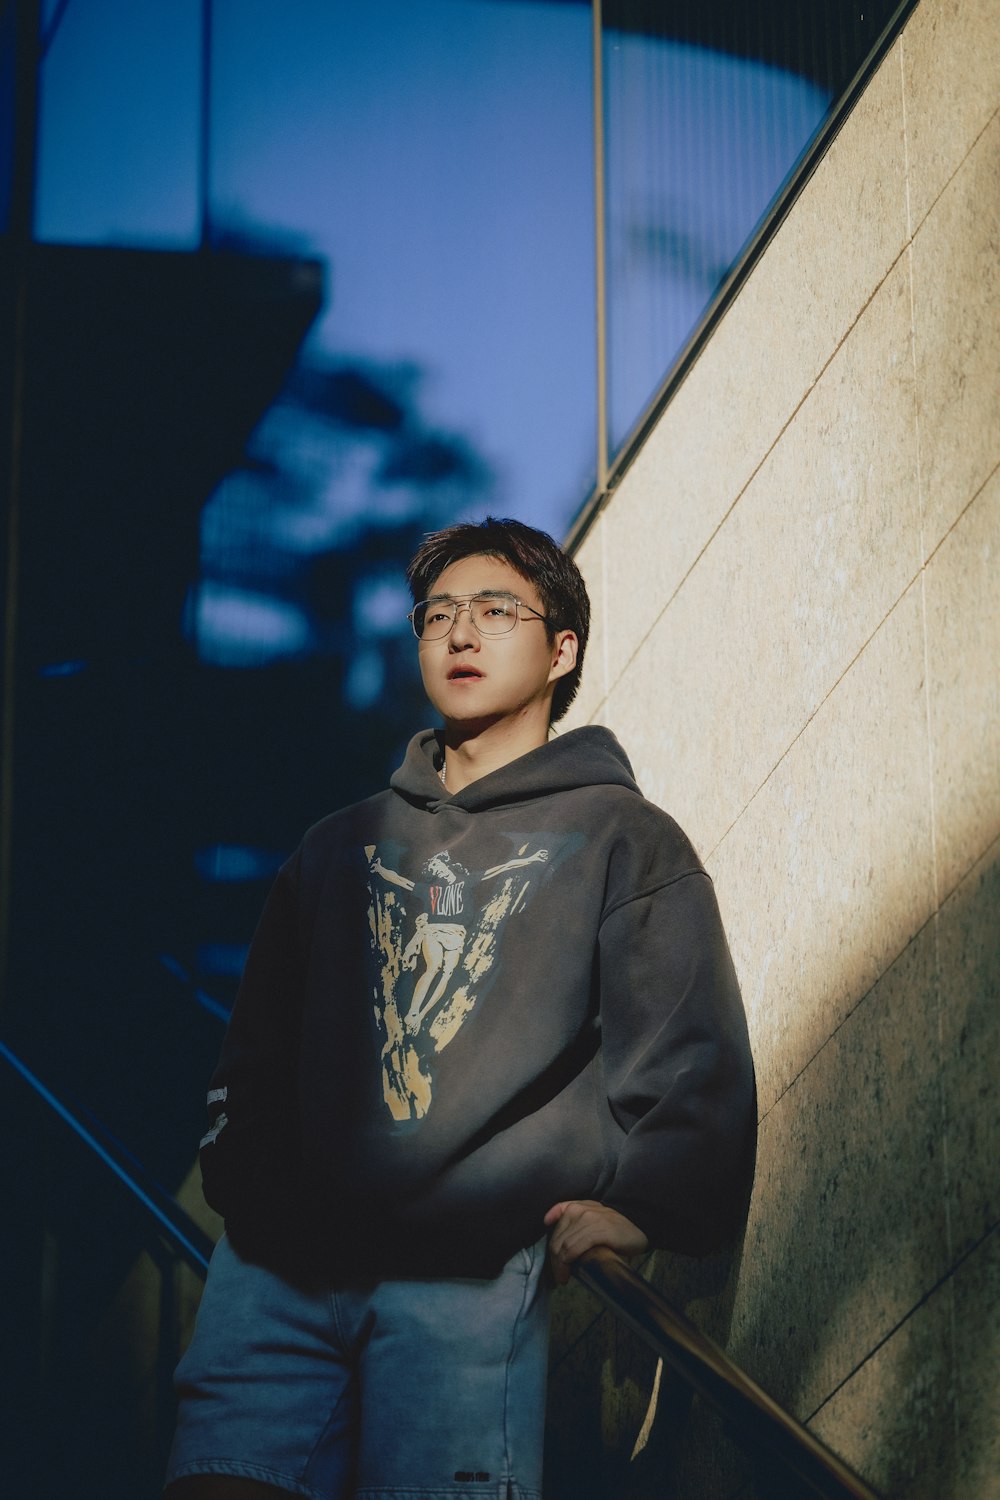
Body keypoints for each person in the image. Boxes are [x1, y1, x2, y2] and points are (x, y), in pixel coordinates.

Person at [164, 517, 756, 1500]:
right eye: (436, 615)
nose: (459, 635)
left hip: (468, 1276)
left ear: (562, 648)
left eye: (493, 611)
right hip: (277, 1276)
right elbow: (253, 1059)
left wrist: (644, 1206)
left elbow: (688, 1044)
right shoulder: (333, 847)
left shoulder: (621, 837)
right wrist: (252, 1188)